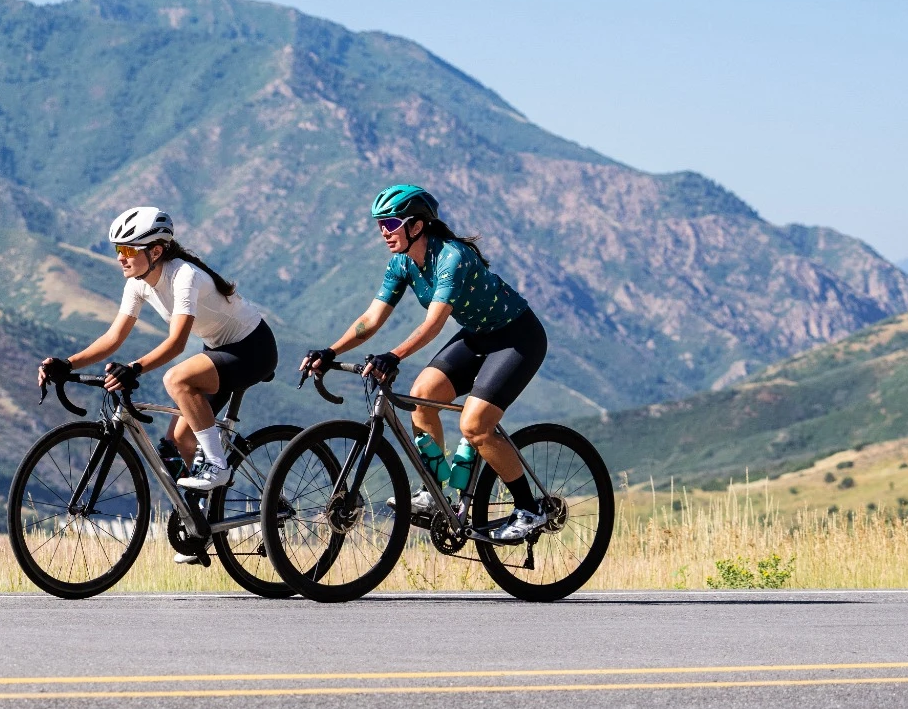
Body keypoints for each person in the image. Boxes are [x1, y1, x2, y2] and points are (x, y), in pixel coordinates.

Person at [299, 184, 550, 542]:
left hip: (517, 337)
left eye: (390, 223)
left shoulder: (452, 257)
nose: (384, 232)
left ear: (416, 225)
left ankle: (530, 508)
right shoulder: (401, 263)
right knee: (421, 396)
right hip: (478, 335)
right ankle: (435, 493)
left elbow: (434, 324)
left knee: (476, 425)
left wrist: (394, 355)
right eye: (380, 225)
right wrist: (331, 351)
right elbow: (371, 319)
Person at [37, 207, 278, 498]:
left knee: (176, 379)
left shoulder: (184, 276)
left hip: (253, 349)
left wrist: (134, 368)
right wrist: (68, 363)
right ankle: (204, 518)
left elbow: (176, 343)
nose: (119, 257)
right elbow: (113, 338)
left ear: (155, 252)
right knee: (179, 440)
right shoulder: (137, 285)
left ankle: (217, 465)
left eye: (127, 249)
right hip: (218, 349)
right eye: (118, 248)